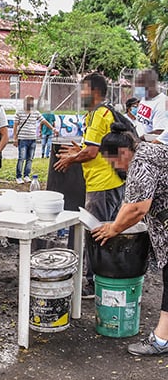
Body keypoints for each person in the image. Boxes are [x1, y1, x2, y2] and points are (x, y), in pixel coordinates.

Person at [92, 124, 168, 355]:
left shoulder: (141, 163)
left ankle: (161, 340)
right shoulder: (146, 151)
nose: (115, 167)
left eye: (113, 162)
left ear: (123, 153)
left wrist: (114, 230)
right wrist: (115, 223)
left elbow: (138, 208)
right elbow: (130, 200)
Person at [54, 73, 125, 298]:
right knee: (109, 229)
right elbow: (96, 148)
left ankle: (91, 282)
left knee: (96, 232)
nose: (80, 95)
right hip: (114, 181)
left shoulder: (98, 114)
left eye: (82, 90)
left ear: (93, 91)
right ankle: (108, 276)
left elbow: (92, 152)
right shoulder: (104, 113)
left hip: (102, 184)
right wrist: (79, 151)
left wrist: (71, 158)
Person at [13, 96, 46, 184]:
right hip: (22, 139)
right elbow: (15, 125)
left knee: (30, 159)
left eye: (32, 101)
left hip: (32, 139)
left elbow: (43, 121)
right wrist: (15, 138)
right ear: (25, 102)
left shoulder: (35, 112)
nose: (30, 103)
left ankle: (26, 175)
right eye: (28, 101)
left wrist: (53, 129)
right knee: (21, 158)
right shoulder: (19, 112)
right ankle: (18, 177)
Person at [135, 69, 167, 137]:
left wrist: (138, 139)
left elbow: (160, 132)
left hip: (150, 145)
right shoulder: (145, 97)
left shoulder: (162, 103)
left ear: (152, 83)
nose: (137, 85)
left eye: (141, 82)